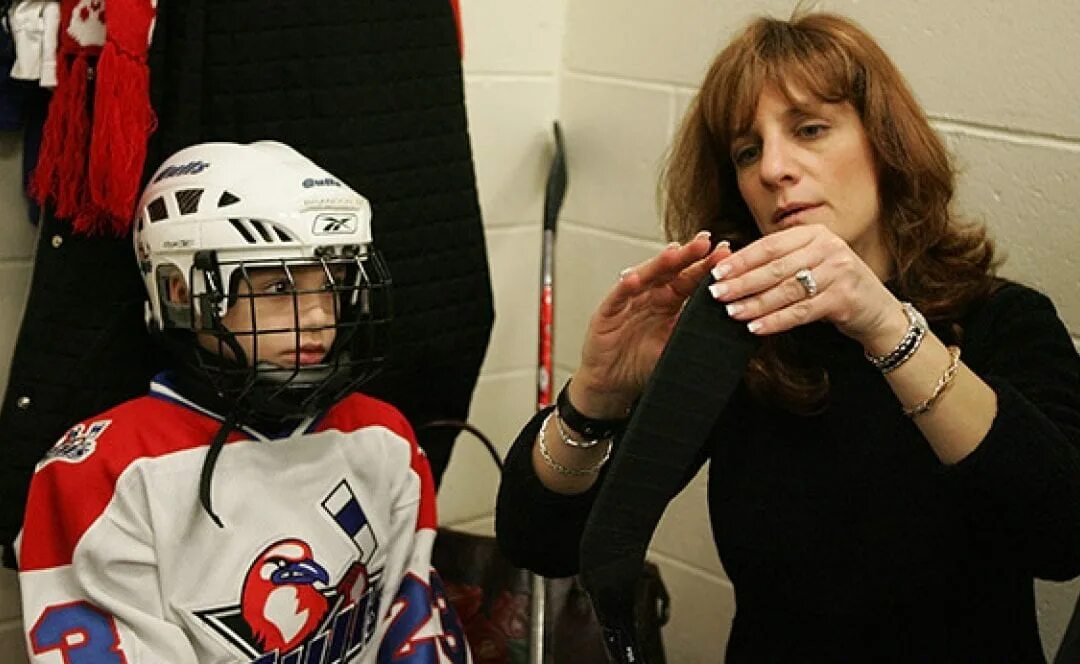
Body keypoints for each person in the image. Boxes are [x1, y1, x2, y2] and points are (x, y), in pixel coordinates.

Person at [495, 12, 1080, 662]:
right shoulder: (744, 341)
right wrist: (594, 398)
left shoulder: (1006, 321)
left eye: (809, 129)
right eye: (747, 151)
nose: (774, 168)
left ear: (883, 143)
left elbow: (1063, 537)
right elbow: (541, 545)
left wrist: (884, 324)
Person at [17, 141, 471, 663]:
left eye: (335, 283)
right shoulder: (100, 473)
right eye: (279, 285)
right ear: (181, 292)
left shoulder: (382, 435)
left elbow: (413, 633)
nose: (320, 316)